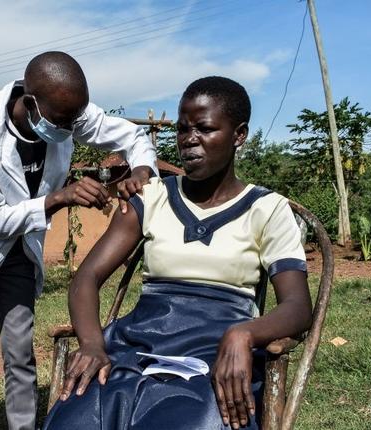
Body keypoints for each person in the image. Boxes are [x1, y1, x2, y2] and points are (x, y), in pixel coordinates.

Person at [43, 76, 313, 430]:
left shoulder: (267, 209)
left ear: (239, 135)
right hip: (137, 346)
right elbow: (86, 278)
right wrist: (93, 344)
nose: (189, 140)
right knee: (78, 415)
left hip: (214, 354)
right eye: (183, 129)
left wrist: (244, 334)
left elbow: (298, 306)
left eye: (204, 128)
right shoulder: (150, 197)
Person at [0, 51, 159, 430]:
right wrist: (59, 197)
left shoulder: (65, 114)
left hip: (18, 250)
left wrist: (141, 169)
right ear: (30, 103)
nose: (70, 129)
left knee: (19, 351)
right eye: (62, 121)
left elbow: (132, 135)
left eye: (74, 120)